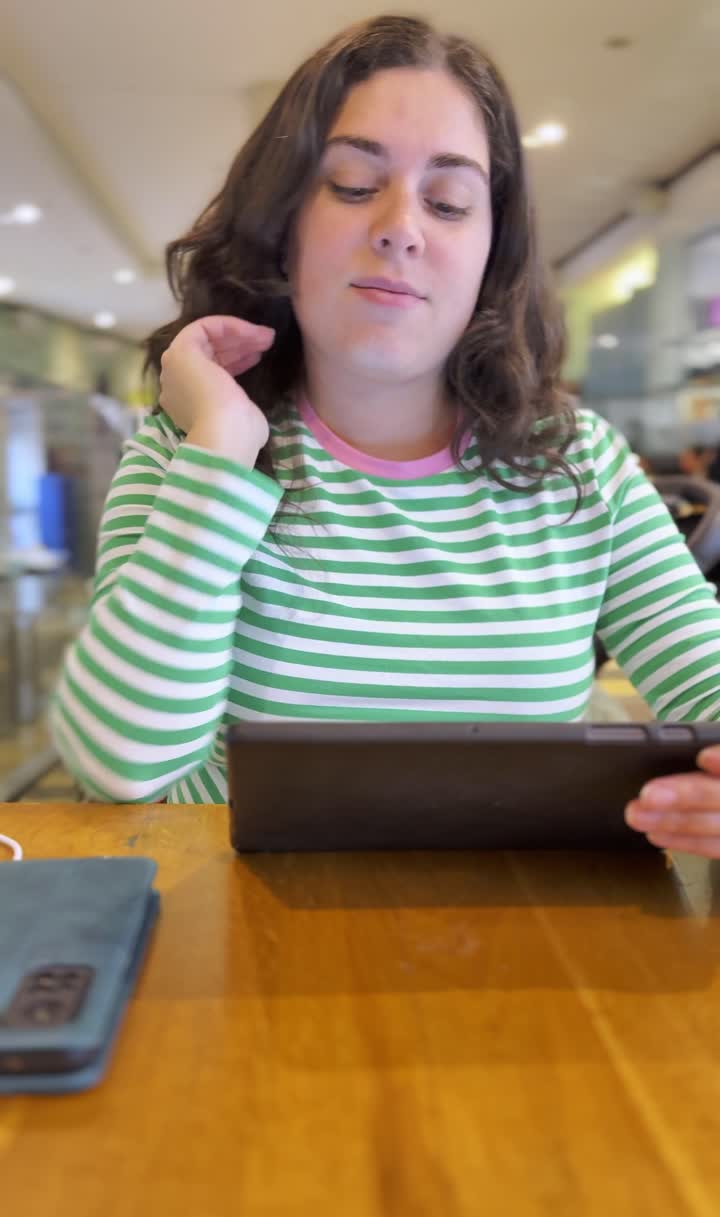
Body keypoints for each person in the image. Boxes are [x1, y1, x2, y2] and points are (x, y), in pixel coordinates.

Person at [51, 14, 720, 858]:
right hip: (236, 940)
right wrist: (222, 447)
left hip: (513, 943)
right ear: (284, 229)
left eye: (449, 202)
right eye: (354, 186)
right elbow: (120, 765)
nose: (402, 226)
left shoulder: (578, 459)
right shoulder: (188, 449)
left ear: (490, 253)